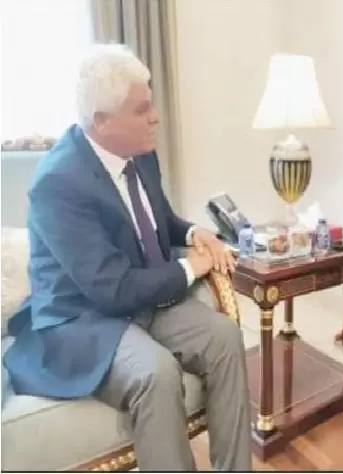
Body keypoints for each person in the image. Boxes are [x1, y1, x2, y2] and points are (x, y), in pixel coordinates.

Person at [3, 44, 252, 471]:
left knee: (225, 337)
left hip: (144, 298)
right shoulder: (58, 183)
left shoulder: (140, 152)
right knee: (155, 371)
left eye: (151, 103)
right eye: (142, 109)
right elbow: (112, 289)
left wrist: (192, 232)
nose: (156, 117)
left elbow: (158, 218)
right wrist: (191, 266)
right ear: (101, 121)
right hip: (84, 318)